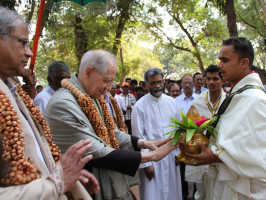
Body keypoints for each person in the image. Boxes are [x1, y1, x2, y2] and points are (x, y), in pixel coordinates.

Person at [45, 50, 177, 200]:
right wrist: (152, 156)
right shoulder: (64, 103)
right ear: (89, 72)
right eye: (106, 81)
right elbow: (96, 149)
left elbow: (110, 132)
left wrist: (144, 143)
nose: (110, 87)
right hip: (80, 187)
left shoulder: (90, 95)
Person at [0, 6, 97, 199]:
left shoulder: (11, 89)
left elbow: (35, 152)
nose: (29, 53)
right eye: (23, 43)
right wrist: (57, 182)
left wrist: (63, 173)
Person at [186, 37, 266, 200]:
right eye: (220, 60)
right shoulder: (240, 94)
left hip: (248, 189)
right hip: (231, 182)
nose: (219, 65)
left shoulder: (254, 98)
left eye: (224, 60)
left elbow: (264, 151)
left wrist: (213, 156)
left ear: (244, 63)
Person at [132, 68, 182, 200]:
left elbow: (178, 129)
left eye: (159, 82)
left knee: (172, 192)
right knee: (152, 194)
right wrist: (146, 163)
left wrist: (178, 153)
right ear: (147, 85)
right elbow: (138, 136)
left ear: (164, 83)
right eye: (153, 83)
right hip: (151, 159)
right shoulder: (139, 106)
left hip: (171, 156)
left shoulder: (172, 102)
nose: (157, 86)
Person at [190, 64, 226, 200]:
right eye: (209, 79)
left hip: (221, 156)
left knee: (220, 193)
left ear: (222, 80)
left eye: (215, 79)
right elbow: (191, 129)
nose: (211, 82)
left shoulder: (228, 101)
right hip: (202, 155)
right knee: (201, 194)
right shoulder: (198, 102)